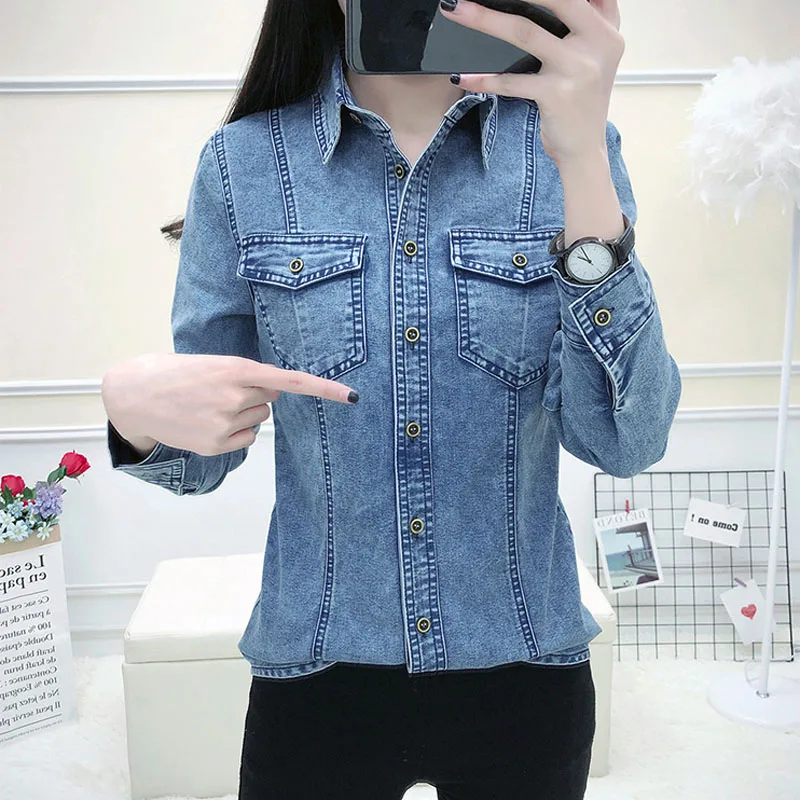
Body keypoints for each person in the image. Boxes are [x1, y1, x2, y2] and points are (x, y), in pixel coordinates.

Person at [101, 0, 682, 797]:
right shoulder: (244, 164)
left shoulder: (566, 147)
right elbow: (200, 459)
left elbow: (625, 439)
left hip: (524, 669)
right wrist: (131, 415)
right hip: (317, 676)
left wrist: (580, 152)